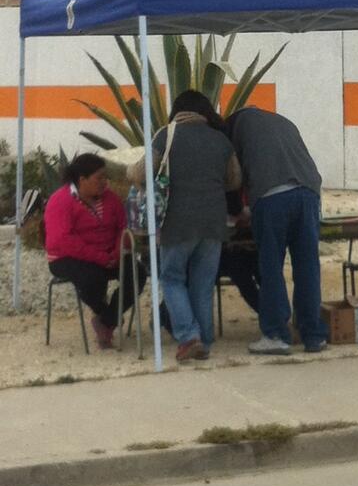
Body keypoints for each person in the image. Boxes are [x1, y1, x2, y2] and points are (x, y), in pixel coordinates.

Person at [132, 90, 241, 362]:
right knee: (203, 284)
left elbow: (140, 173)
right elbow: (235, 181)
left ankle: (188, 336)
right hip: (215, 222)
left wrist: (126, 173)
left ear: (177, 111)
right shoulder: (221, 140)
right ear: (204, 111)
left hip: (177, 222)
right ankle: (203, 340)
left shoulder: (166, 135)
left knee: (172, 278)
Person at [226, 107, 327, 355]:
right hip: (309, 193)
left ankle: (276, 335)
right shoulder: (283, 122)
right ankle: (312, 335)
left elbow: (234, 177)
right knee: (308, 267)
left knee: (270, 267)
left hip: (271, 199)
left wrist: (240, 210)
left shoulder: (234, 130)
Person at [44, 153, 146, 349]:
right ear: (82, 180)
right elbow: (63, 240)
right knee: (92, 277)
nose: (104, 182)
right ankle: (105, 313)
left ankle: (107, 320)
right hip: (67, 257)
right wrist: (100, 257)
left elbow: (122, 228)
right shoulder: (60, 201)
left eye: (105, 177)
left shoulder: (111, 199)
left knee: (137, 273)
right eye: (99, 178)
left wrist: (116, 254)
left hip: (108, 256)